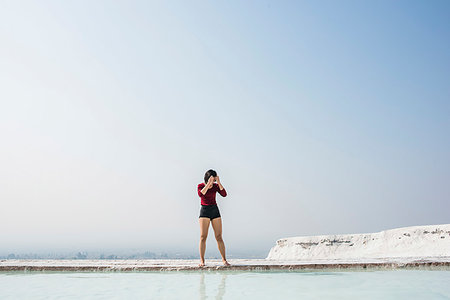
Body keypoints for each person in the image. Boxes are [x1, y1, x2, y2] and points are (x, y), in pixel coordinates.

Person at [197, 169, 230, 267]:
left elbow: (224, 194)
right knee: (203, 236)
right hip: (205, 211)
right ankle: (202, 261)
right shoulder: (201, 186)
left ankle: (224, 260)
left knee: (219, 236)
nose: (213, 183)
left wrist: (218, 182)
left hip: (215, 210)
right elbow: (200, 194)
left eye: (214, 181)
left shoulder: (216, 186)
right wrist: (208, 184)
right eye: (212, 180)